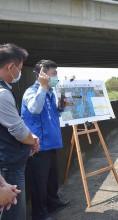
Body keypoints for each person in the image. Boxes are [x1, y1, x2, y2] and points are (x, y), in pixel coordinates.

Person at [21, 60, 70, 220]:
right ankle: (40, 214)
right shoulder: (31, 92)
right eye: (53, 73)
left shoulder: (50, 93)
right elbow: (34, 109)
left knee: (51, 179)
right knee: (39, 183)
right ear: (41, 75)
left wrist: (61, 108)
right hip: (38, 146)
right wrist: (42, 87)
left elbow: (52, 116)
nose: (56, 77)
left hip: (52, 143)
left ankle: (53, 203)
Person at [0, 43, 40, 220]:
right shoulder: (2, 94)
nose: (19, 73)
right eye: (20, 68)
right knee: (14, 214)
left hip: (9, 160)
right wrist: (32, 141)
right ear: (11, 67)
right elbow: (18, 129)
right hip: (9, 164)